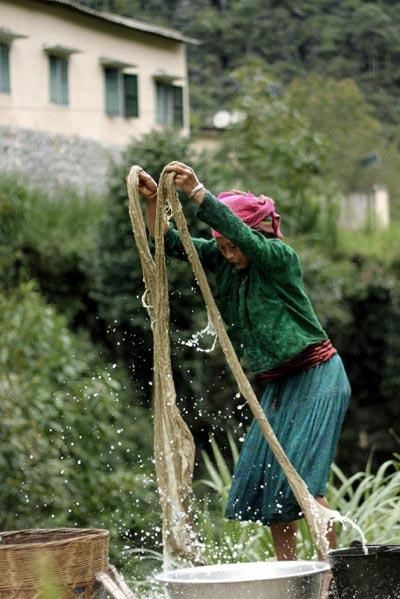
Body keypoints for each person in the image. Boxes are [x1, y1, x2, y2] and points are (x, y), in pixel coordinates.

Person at [137, 161, 351, 561]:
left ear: (257, 235)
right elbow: (168, 242)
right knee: (268, 483)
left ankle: (331, 578)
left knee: (304, 485)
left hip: (318, 378)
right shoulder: (222, 259)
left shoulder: (278, 258)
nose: (229, 254)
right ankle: (289, 577)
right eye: (222, 246)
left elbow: (241, 237)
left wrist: (198, 191)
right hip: (278, 385)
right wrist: (153, 201)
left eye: (234, 246)